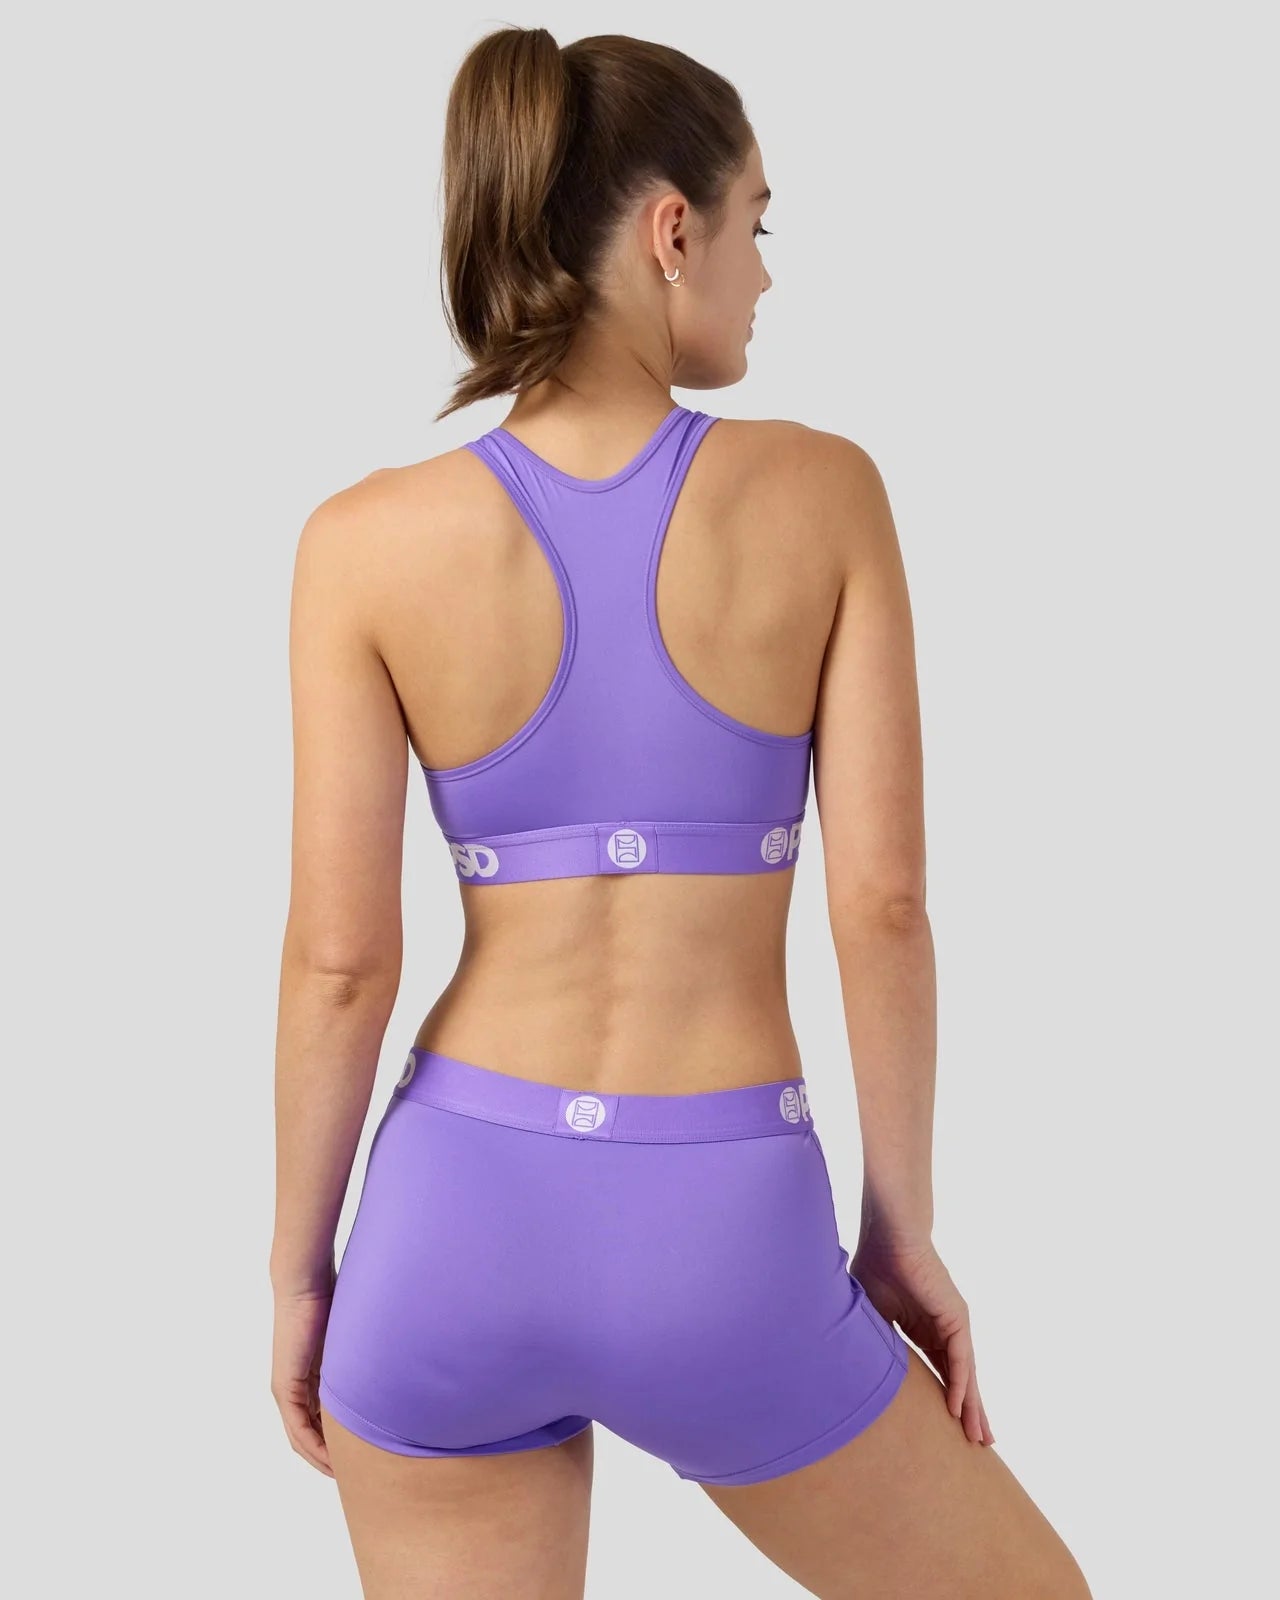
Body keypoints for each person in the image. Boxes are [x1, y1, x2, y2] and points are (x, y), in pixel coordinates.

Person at [270, 25, 1093, 1600]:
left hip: (449, 1224)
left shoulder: (360, 544)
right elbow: (884, 909)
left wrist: (305, 1273)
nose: (764, 275)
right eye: (757, 224)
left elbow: (339, 963)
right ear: (670, 232)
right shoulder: (825, 495)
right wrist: (902, 1227)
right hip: (720, 1229)